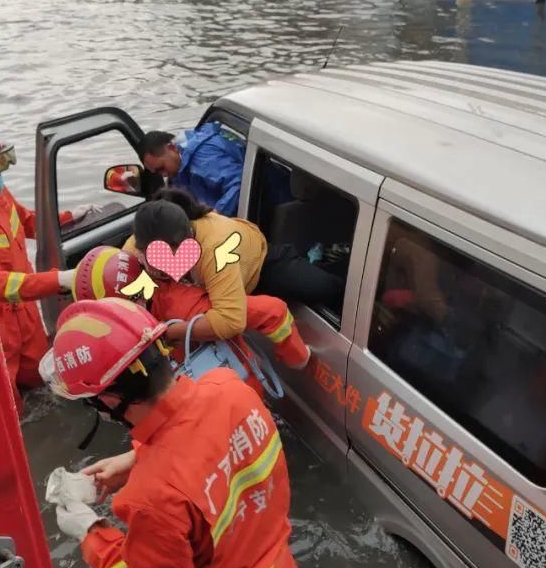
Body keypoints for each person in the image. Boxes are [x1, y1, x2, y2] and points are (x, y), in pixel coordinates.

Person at [41, 298, 302, 568]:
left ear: (109, 401)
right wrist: (137, 458)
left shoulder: (151, 499)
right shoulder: (229, 387)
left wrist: (90, 533)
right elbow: (201, 440)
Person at [0, 117, 96, 408]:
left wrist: (66, 218)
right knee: (11, 410)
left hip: (27, 320)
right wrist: (60, 279)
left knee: (49, 387)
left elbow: (29, 223)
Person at [123, 188, 343, 343]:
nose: (158, 266)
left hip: (257, 267)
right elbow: (119, 290)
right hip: (205, 294)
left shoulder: (216, 246)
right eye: (150, 255)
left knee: (325, 288)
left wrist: (167, 332)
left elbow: (230, 321)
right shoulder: (136, 248)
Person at [72, 245, 311, 378]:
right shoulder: (142, 316)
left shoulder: (185, 307)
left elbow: (273, 312)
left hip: (233, 406)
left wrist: (298, 359)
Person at [138, 123, 246, 216]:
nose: (164, 175)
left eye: (161, 168)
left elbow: (240, 183)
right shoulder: (179, 168)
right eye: (157, 173)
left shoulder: (204, 158)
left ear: (171, 148)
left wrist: (215, 215)